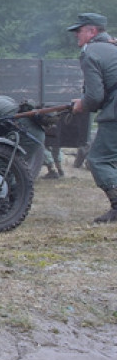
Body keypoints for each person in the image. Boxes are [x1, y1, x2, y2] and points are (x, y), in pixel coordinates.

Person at [68, 12, 117, 223]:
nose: (76, 35)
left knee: (98, 160)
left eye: (79, 31)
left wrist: (82, 104)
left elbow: (95, 96)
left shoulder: (91, 52)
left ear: (92, 31)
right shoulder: (114, 47)